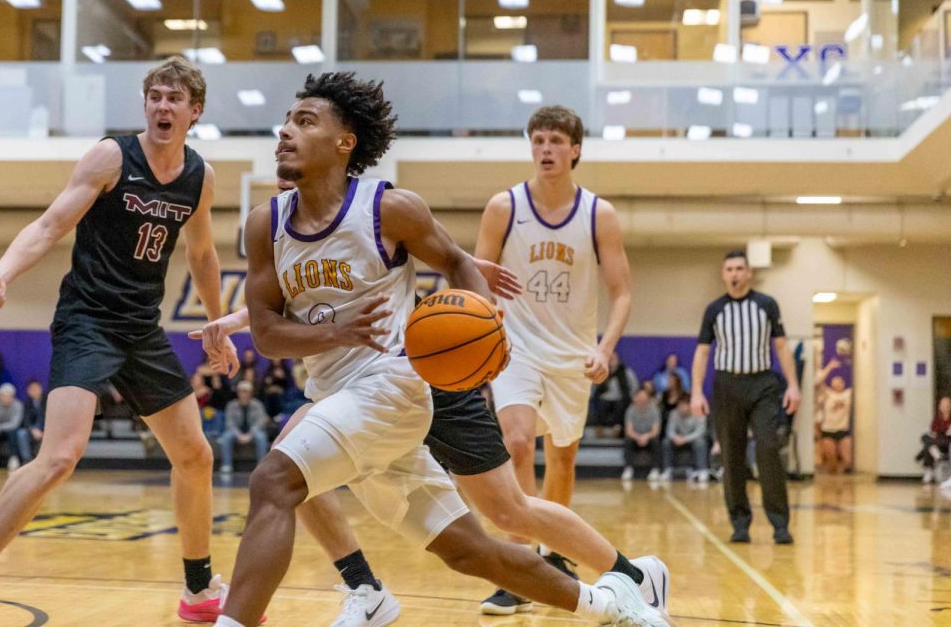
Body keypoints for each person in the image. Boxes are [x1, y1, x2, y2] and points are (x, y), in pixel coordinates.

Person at [213, 72, 664, 627]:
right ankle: (613, 603)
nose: (285, 131)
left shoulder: (389, 209)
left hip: (394, 386)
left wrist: (487, 328)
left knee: (274, 479)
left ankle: (266, 613)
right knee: (469, 550)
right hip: (338, 395)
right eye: (286, 120)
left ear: (343, 142)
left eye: (304, 121)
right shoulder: (265, 224)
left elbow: (457, 263)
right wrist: (339, 331)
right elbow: (266, 334)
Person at [0, 56, 239, 627]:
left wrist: (217, 323)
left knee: (195, 455)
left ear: (195, 111)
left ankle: (198, 591)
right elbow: (50, 225)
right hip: (88, 320)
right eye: (155, 96)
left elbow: (201, 254)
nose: (162, 106)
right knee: (60, 457)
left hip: (141, 328)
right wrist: (2, 272)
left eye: (174, 98)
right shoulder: (110, 156)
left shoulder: (201, 176)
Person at [473, 103, 633, 608]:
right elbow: (478, 275)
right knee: (518, 442)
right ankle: (519, 567)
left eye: (556, 141)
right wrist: (484, 324)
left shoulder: (597, 214)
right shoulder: (505, 207)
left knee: (562, 456)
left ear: (575, 150)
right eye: (538, 140)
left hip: (572, 354)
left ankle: (553, 551)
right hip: (515, 348)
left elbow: (622, 292)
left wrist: (605, 349)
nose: (546, 149)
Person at [691, 249, 801, 545]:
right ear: (724, 274)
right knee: (732, 457)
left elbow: (781, 347)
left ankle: (780, 524)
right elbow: (702, 352)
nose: (735, 274)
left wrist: (793, 385)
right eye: (730, 269)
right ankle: (740, 523)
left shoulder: (767, 305)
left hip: (763, 384)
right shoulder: (714, 309)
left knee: (768, 448)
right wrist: (696, 391)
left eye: (740, 268)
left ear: (749, 273)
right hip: (727, 386)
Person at [218, 380, 270, 475]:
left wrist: (249, 435)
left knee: (261, 437)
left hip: (253, 431)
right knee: (226, 437)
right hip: (236, 432)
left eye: (246, 391)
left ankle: (261, 465)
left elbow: (259, 423)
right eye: (242, 391)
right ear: (238, 393)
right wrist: (239, 435)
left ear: (251, 393)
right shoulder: (231, 405)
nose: (244, 394)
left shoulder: (258, 405)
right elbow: (230, 423)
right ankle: (227, 465)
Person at [0, 383, 29, 471]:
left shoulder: (18, 405)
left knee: (13, 432)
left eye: (8, 396)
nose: (6, 398)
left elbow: (15, 423)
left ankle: (13, 458)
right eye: (3, 395)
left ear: (13, 396)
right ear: (0, 396)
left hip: (11, 430)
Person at [663, 398, 708, 482]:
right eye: (680, 406)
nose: (682, 408)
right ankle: (667, 470)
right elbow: (669, 430)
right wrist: (675, 437)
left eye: (685, 405)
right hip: (678, 438)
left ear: (690, 406)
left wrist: (685, 439)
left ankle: (702, 470)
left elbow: (700, 431)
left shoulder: (699, 413)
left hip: (693, 439)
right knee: (666, 442)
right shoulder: (674, 413)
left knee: (701, 443)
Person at [621, 389, 662, 482]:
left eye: (644, 397)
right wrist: (638, 437)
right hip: (636, 436)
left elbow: (656, 430)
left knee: (656, 441)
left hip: (649, 436)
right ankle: (628, 468)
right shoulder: (630, 410)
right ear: (635, 398)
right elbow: (629, 430)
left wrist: (646, 436)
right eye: (640, 397)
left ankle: (655, 469)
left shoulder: (654, 410)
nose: (642, 399)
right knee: (628, 441)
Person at [816, 375, 852, 474]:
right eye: (835, 383)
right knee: (832, 464)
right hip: (828, 431)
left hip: (843, 430)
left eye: (840, 382)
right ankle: (832, 485)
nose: (838, 384)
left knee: (849, 460)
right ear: (831, 385)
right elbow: (818, 381)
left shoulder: (848, 394)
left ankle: (844, 485)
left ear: (843, 384)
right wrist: (830, 367)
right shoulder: (827, 394)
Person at [917, 395, 951, 485]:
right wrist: (937, 433)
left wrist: (941, 432)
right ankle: (936, 454)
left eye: (946, 404)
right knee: (925, 437)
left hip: (947, 442)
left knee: (928, 445)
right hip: (937, 440)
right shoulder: (938, 417)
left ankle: (927, 466)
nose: (943, 406)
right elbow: (933, 430)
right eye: (942, 404)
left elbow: (948, 433)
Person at [24, 380, 46, 453]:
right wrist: (32, 430)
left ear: (41, 388)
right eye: (32, 389)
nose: (34, 391)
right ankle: (26, 459)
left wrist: (44, 431)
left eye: (36, 388)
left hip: (47, 429)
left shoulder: (48, 400)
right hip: (33, 430)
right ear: (28, 391)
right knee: (21, 434)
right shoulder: (27, 403)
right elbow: (26, 420)